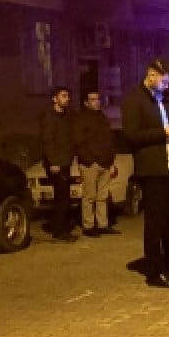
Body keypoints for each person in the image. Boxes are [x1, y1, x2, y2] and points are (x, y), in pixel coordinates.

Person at [122, 59, 169, 288]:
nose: (167, 86)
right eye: (164, 82)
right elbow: (131, 136)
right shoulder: (134, 100)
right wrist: (163, 132)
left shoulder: (163, 100)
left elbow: (168, 129)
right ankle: (154, 272)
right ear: (151, 75)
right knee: (155, 221)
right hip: (152, 169)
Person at [74, 91, 119, 237]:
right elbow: (78, 143)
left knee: (102, 196)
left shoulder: (103, 118)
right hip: (90, 164)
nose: (97, 102)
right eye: (93, 99)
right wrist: (90, 160)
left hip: (105, 163)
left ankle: (102, 224)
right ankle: (88, 226)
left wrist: (111, 162)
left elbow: (110, 141)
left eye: (98, 99)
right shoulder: (81, 119)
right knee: (89, 196)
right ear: (86, 103)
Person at [40, 86, 76, 242]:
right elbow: (47, 142)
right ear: (54, 99)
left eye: (68, 96)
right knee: (61, 198)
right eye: (63, 96)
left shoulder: (67, 116)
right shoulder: (50, 118)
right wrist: (53, 162)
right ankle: (59, 230)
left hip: (65, 161)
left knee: (65, 197)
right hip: (56, 164)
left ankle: (62, 227)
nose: (67, 99)